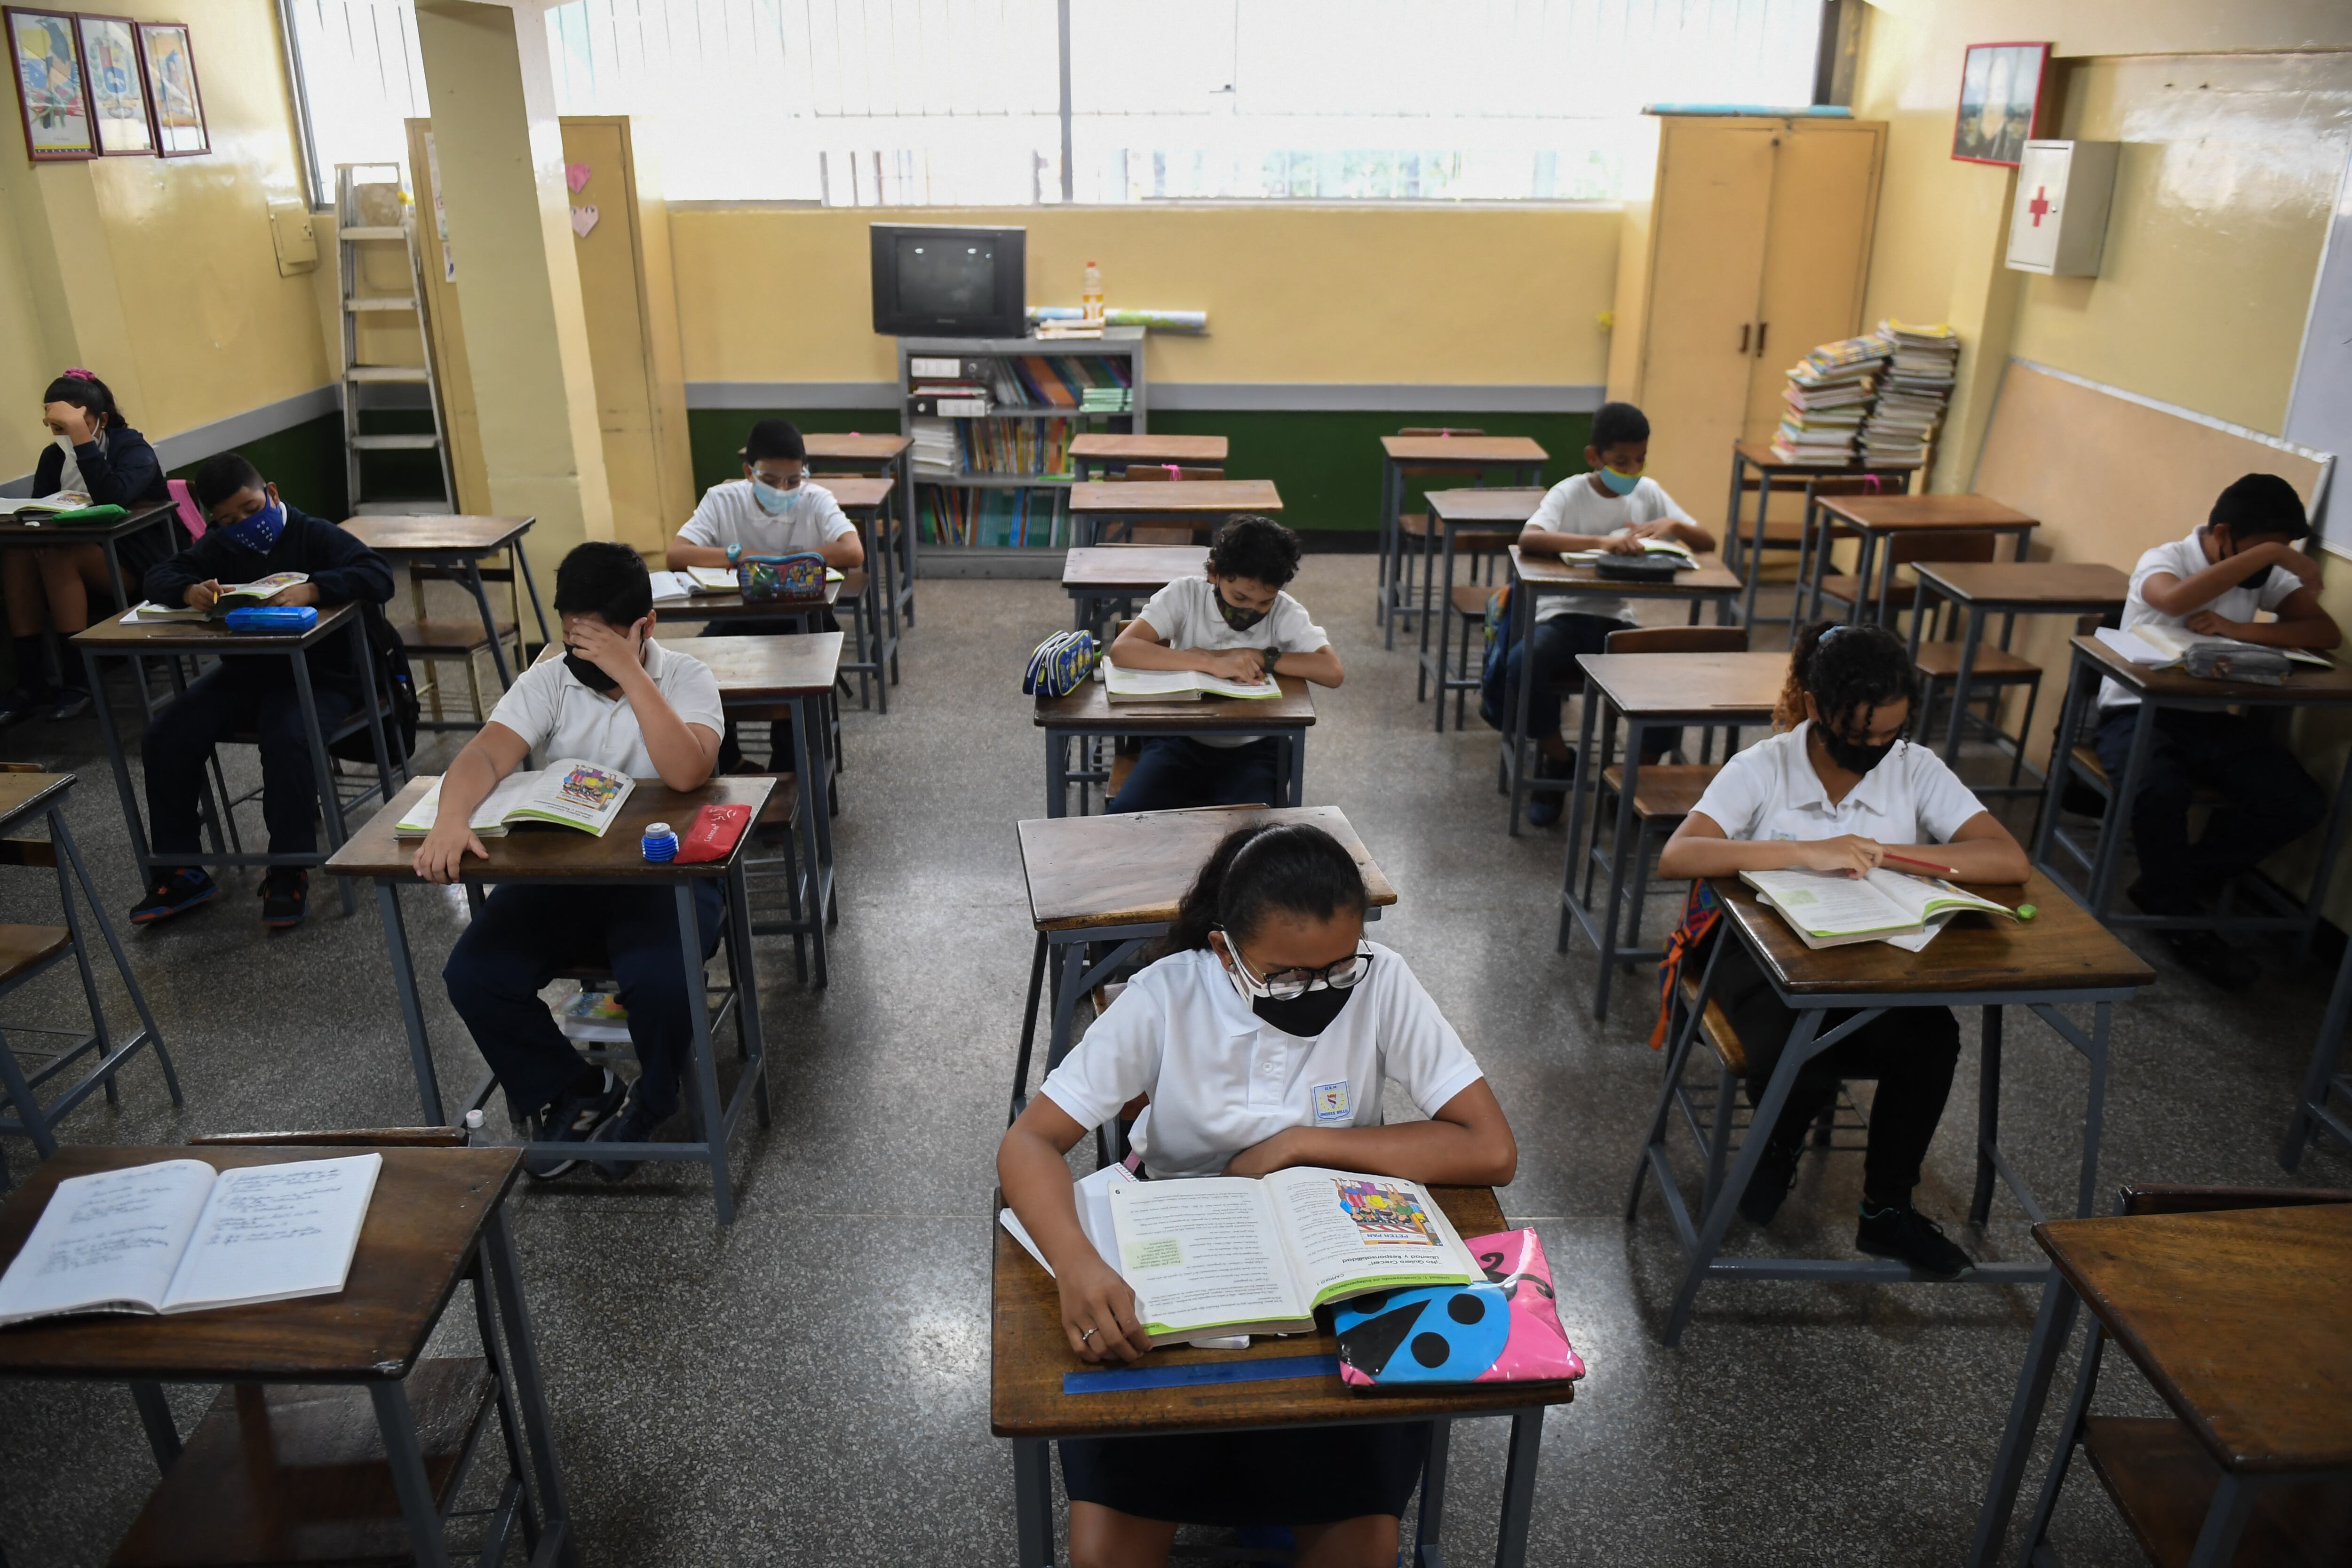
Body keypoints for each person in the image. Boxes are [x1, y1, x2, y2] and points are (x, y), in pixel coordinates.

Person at [998, 822, 1516, 1568]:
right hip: (1176, 1269)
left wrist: (1300, 1145)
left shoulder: (1383, 980)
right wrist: (1077, 1264)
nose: (1321, 996)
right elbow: (1028, 1142)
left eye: (1340, 970)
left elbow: (1490, 1146)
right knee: (1106, 1548)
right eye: (1288, 977)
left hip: (1335, 1267)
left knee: (1356, 1537)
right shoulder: (1166, 996)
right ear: (1223, 951)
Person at [1655, 621, 2031, 1277]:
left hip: (1869, 962)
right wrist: (1806, 851)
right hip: (1760, 960)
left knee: (1932, 1040)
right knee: (1799, 1050)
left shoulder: (1913, 767)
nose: (1876, 750)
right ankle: (1775, 1145)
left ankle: (1887, 1211)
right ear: (1814, 709)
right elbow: (1680, 853)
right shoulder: (1766, 765)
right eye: (1859, 737)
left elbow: (2006, 858)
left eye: (1889, 734)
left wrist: (1895, 857)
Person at [422, 541, 727, 1179]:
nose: (582, 656)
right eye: (573, 639)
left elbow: (687, 771)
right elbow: (483, 756)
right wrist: (451, 819)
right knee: (474, 973)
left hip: (663, 879)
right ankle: (575, 1088)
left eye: (601, 643)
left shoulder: (686, 677)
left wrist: (632, 672)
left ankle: (654, 1097)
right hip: (567, 877)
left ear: (647, 625)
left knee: (662, 983)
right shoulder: (550, 679)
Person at [2092, 472, 2338, 989]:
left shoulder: (2260, 574)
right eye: (2266, 549)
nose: (2276, 563)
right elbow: (2175, 602)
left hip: (2206, 720)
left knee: (2297, 801)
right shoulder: (2164, 559)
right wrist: (2277, 559)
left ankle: (2175, 883)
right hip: (2135, 713)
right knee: (2158, 790)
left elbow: (2323, 633)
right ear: (2222, 534)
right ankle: (2179, 917)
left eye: (2284, 550)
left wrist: (2240, 628)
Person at [133, 454, 394, 931]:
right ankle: (180, 869)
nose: (244, 525)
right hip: (249, 675)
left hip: (323, 674)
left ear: (272, 493)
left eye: (252, 509)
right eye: (228, 520)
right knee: (166, 735)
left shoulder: (314, 533)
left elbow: (378, 574)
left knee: (288, 736)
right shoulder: (219, 544)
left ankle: (288, 870)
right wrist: (190, 590)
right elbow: (160, 576)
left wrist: (315, 590)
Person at [1498, 400, 1717, 826]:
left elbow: (1706, 541)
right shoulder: (1570, 491)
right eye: (1620, 461)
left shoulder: (1648, 491)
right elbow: (1530, 540)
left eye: (1640, 459)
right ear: (1594, 457)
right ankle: (1557, 760)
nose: (1632, 469)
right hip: (1563, 615)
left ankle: (1634, 782)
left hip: (1618, 620)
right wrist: (1603, 543)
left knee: (1668, 684)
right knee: (1522, 664)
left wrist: (1674, 526)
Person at [1105, 516, 1343, 814]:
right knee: (1126, 816)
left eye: (1264, 603)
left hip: (1253, 752)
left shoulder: (1284, 612)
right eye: (1240, 597)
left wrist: (1261, 656)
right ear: (1215, 573)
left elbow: (1333, 672)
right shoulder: (1186, 595)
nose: (1251, 611)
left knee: (1250, 834)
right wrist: (1207, 662)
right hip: (1178, 741)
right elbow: (1123, 649)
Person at [666, 417, 862, 771]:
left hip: (802, 622)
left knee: (797, 686)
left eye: (793, 480)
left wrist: (786, 563)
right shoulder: (721, 500)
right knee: (698, 675)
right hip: (740, 619)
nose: (784, 489)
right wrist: (739, 557)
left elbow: (853, 551)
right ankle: (732, 764)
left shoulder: (816, 499)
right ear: (749, 472)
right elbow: (677, 555)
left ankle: (789, 776)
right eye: (771, 481)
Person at [3, 370, 177, 727]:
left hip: (136, 561)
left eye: (76, 425)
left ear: (101, 420)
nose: (65, 436)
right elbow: (41, 507)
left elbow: (113, 495)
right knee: (18, 554)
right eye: (57, 427)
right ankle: (31, 682)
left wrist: (83, 443)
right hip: (75, 560)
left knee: (57, 557)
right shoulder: (53, 458)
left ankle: (80, 680)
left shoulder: (132, 448)